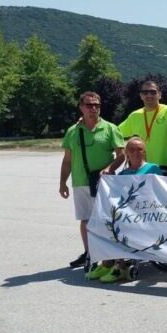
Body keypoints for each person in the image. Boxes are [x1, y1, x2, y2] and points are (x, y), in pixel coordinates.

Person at [60, 92, 125, 269]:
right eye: (89, 105)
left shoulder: (110, 128)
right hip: (80, 182)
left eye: (97, 105)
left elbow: (121, 155)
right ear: (81, 107)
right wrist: (62, 183)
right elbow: (67, 160)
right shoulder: (73, 131)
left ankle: (108, 255)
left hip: (103, 182)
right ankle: (90, 254)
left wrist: (109, 168)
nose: (93, 108)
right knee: (86, 219)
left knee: (106, 219)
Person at [86, 137, 165, 283]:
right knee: (103, 222)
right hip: (127, 212)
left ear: (144, 151)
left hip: (145, 213)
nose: (136, 152)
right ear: (127, 153)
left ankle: (120, 266)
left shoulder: (153, 168)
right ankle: (107, 263)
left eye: (139, 149)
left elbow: (160, 193)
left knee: (119, 225)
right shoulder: (123, 174)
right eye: (132, 149)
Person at [118, 81, 167, 171]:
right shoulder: (135, 116)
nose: (149, 95)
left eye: (153, 92)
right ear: (141, 96)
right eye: (145, 92)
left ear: (159, 95)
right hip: (142, 168)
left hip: (165, 166)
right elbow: (116, 134)